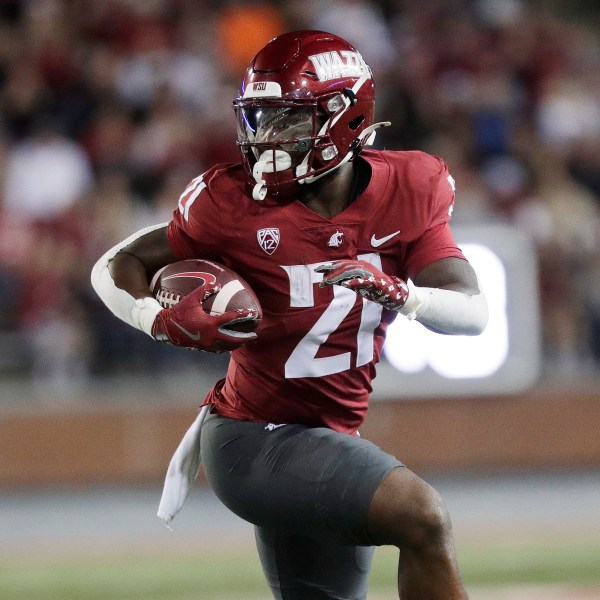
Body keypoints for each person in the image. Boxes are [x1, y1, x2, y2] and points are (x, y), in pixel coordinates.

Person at [91, 30, 488, 600]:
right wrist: (154, 318)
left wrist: (405, 294)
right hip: (253, 439)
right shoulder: (230, 204)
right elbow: (118, 262)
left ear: (345, 119)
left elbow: (473, 313)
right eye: (258, 120)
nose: (267, 139)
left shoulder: (410, 186)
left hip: (330, 435)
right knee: (422, 517)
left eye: (288, 121)